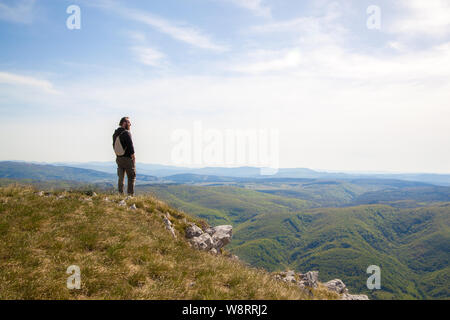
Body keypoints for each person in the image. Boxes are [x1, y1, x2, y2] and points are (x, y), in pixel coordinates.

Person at [112, 117, 136, 196]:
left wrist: (118, 155)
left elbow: (113, 145)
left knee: (121, 176)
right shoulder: (126, 133)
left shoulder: (115, 133)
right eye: (129, 122)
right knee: (131, 176)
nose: (130, 124)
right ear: (124, 123)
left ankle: (120, 193)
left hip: (119, 158)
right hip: (127, 158)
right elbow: (130, 145)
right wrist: (133, 157)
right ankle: (130, 195)